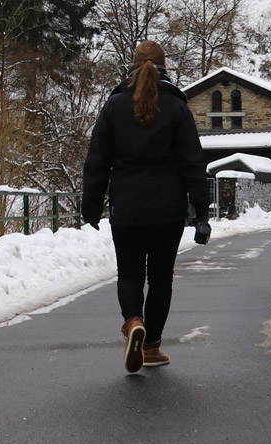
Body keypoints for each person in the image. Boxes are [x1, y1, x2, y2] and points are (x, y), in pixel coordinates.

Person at [80, 40, 212, 373]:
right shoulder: (178, 109)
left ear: (132, 65)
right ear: (165, 67)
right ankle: (151, 347)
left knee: (130, 274)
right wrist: (200, 213)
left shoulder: (114, 107)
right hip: (167, 210)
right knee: (161, 280)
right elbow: (193, 163)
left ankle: (132, 322)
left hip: (127, 208)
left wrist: (91, 207)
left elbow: (97, 162)